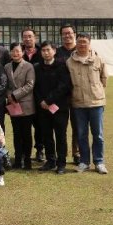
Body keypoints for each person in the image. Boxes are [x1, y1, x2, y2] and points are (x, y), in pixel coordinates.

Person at [66, 33, 108, 174]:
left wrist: (96, 91)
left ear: (89, 43)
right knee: (81, 134)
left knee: (98, 135)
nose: (82, 44)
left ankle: (99, 162)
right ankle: (84, 162)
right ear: (76, 43)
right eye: (79, 42)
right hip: (78, 104)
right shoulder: (69, 62)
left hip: (96, 103)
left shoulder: (98, 59)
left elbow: (104, 79)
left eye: (84, 42)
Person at [34, 41, 72, 174]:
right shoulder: (37, 67)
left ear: (54, 51)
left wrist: (49, 100)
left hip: (59, 107)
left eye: (48, 50)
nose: (45, 53)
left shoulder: (62, 66)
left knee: (61, 136)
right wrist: (41, 101)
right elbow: (35, 87)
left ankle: (61, 163)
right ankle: (50, 161)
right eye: (43, 50)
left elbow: (64, 86)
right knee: (47, 135)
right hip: (43, 108)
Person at [5, 42, 36, 169]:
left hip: (25, 104)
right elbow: (6, 84)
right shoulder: (7, 66)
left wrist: (14, 95)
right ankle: (18, 159)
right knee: (16, 133)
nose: (15, 53)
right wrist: (9, 95)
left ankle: (27, 159)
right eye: (13, 51)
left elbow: (30, 85)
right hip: (13, 105)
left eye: (18, 51)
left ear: (23, 52)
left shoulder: (28, 66)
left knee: (26, 134)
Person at [56, 24, 80, 165]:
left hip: (78, 95)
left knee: (78, 126)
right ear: (61, 36)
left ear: (74, 34)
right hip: (61, 97)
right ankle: (62, 155)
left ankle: (77, 153)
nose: (67, 35)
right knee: (61, 128)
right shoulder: (57, 52)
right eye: (64, 33)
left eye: (69, 33)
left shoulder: (81, 50)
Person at [21, 27, 44, 161]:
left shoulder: (42, 52)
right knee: (24, 126)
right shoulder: (19, 53)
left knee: (40, 125)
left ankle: (40, 149)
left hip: (39, 95)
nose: (27, 39)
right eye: (25, 36)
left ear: (35, 37)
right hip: (23, 97)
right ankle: (25, 152)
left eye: (30, 36)